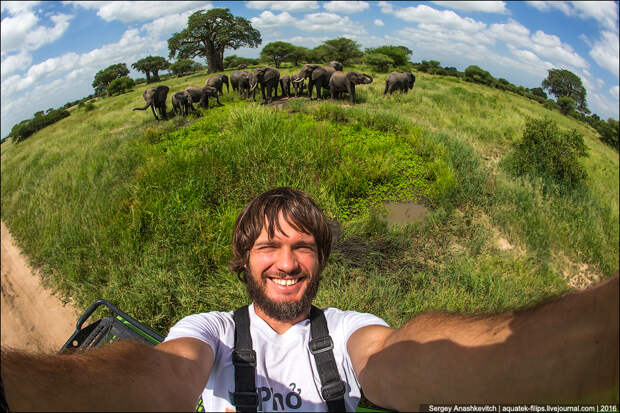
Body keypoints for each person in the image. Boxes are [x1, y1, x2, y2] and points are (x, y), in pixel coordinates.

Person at [1, 187, 618, 412]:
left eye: (304, 247)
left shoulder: (352, 328)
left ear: (321, 260)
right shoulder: (210, 329)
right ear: (243, 260)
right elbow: (159, 374)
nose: (288, 263)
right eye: (269, 246)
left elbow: (394, 361)